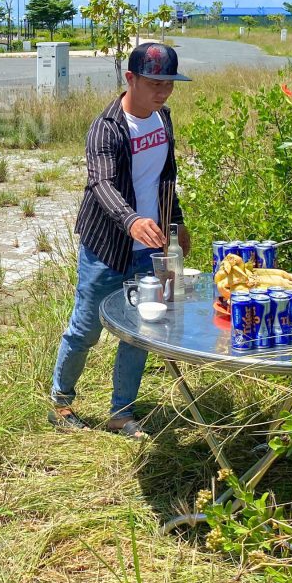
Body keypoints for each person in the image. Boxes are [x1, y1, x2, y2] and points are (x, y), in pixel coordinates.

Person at [49, 42, 192, 435]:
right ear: (130, 78)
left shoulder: (163, 119)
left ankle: (121, 412)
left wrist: (175, 225)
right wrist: (130, 221)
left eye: (169, 84)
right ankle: (61, 403)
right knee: (86, 329)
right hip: (106, 247)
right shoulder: (107, 126)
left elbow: (166, 177)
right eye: (153, 83)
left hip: (149, 246)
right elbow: (102, 183)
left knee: (141, 329)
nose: (162, 92)